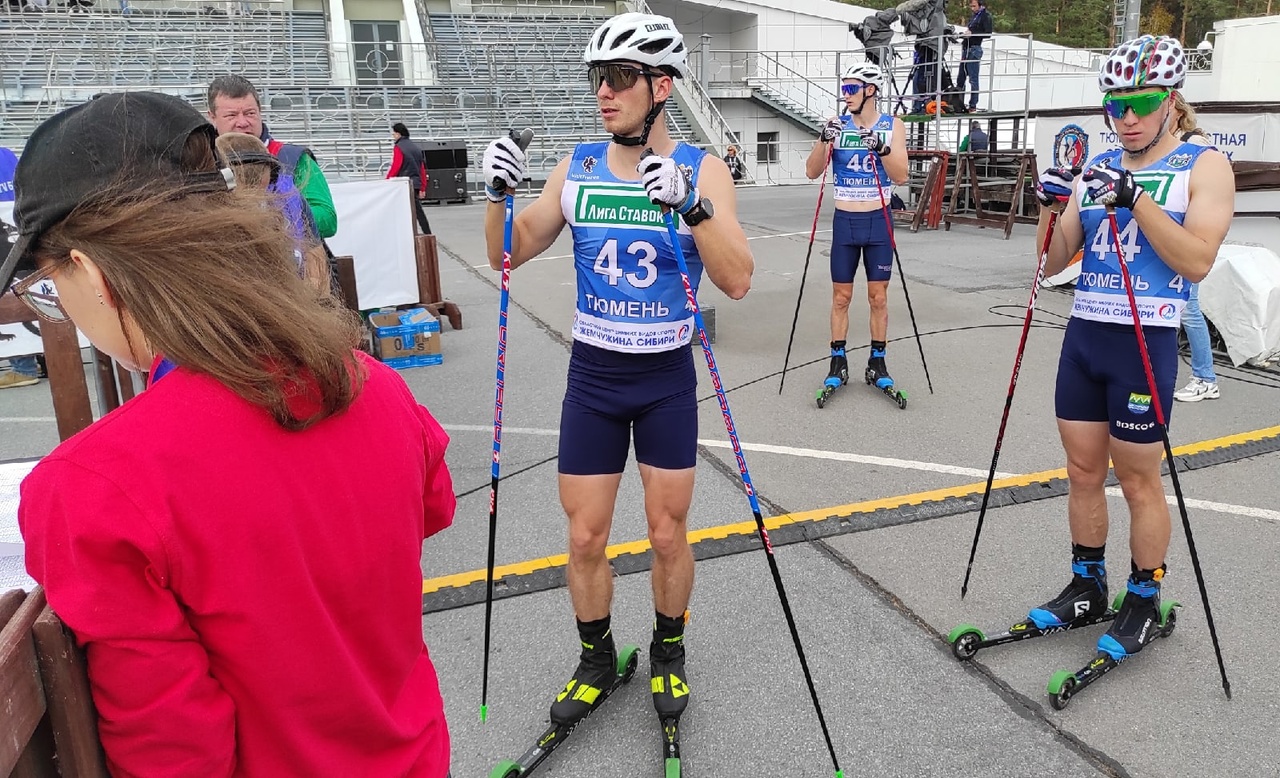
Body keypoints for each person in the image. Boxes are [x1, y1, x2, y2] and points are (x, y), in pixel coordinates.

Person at [2, 91, 454, 777]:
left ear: (90, 271)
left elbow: (174, 752)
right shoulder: (372, 382)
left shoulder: (94, 486)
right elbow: (432, 507)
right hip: (415, 752)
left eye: (47, 283)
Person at [481, 12, 753, 730]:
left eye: (621, 77)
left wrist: (692, 207)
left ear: (662, 87)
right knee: (584, 537)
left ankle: (669, 650)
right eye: (598, 77)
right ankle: (596, 659)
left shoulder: (702, 169)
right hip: (595, 379)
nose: (604, 91)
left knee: (667, 533)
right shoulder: (577, 167)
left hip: (665, 379)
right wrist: (498, 196)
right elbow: (506, 254)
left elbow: (737, 279)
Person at [1029, 36, 1234, 662]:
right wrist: (1051, 206)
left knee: (1139, 480)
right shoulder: (1097, 164)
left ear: (1171, 101)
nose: (1127, 117)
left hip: (1144, 340)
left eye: (1141, 103)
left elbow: (1196, 262)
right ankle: (1088, 585)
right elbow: (1051, 263)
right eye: (1115, 105)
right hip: (1085, 336)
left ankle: (1143, 597)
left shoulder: (1204, 164)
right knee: (1082, 471)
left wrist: (1136, 199)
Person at [804, 62, 908, 396]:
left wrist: (881, 148)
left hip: (878, 220)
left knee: (878, 297)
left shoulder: (893, 125)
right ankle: (838, 362)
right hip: (846, 221)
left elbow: (901, 175)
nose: (845, 95)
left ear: (870, 90)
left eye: (851, 89)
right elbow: (811, 171)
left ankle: (877, 362)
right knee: (841, 297)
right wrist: (823, 141)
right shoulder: (836, 124)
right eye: (844, 89)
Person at [206, 76, 339, 289]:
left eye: (250, 113)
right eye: (231, 115)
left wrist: (277, 214)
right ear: (212, 117)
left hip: (297, 281)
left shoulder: (293, 157)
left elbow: (327, 218)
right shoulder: (202, 165)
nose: (242, 122)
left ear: (260, 112)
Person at [215, 132, 330, 287]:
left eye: (257, 168)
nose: (250, 174)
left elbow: (316, 266)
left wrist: (309, 297)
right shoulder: (208, 208)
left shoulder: (292, 199)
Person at [1168, 93, 1220, 403]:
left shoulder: (1195, 143)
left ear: (1177, 111)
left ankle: (1205, 378)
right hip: (1169, 236)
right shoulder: (1162, 145)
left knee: (1188, 309)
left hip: (1188, 237)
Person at [387, 122, 433, 235]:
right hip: (415, 183)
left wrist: (388, 179)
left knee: (414, 210)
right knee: (416, 209)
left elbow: (396, 165)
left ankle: (423, 232)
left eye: (394, 134)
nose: (393, 136)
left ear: (398, 134)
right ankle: (425, 232)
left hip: (404, 183)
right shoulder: (416, 148)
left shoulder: (399, 147)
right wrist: (422, 187)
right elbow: (421, 169)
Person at [955, 0, 992, 113]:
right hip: (966, 48)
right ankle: (959, 104)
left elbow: (988, 33)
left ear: (980, 5)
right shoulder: (974, 16)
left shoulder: (985, 16)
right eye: (971, 6)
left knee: (973, 79)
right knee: (961, 78)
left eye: (974, 6)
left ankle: (973, 105)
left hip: (974, 49)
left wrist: (973, 33)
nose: (972, 8)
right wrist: (963, 35)